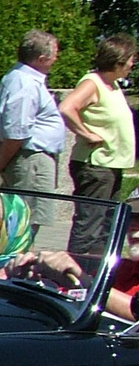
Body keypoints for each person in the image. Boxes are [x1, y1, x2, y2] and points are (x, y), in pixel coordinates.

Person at [58, 33, 138, 257]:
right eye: (130, 59)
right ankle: (75, 271)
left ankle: (96, 270)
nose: (132, 64)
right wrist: (86, 134)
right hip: (95, 166)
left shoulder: (111, 85)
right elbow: (66, 107)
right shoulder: (92, 83)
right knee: (89, 225)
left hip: (111, 165)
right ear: (118, 60)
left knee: (106, 227)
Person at [0, 30, 65, 235]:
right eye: (55, 54)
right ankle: (18, 255)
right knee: (25, 222)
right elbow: (16, 132)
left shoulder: (22, 79)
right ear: (41, 59)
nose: (57, 59)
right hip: (31, 160)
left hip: (30, 158)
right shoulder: (24, 83)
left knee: (26, 222)